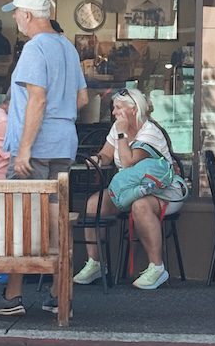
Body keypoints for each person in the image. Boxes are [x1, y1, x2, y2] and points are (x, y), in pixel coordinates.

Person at [0, 0, 87, 317]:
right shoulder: (67, 47)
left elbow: (37, 99)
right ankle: (59, 294)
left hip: (36, 149)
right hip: (63, 144)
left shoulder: (34, 48)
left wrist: (24, 149)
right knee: (57, 220)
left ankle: (13, 296)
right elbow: (82, 98)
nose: (14, 18)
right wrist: (60, 117)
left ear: (27, 15)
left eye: (16, 13)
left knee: (22, 220)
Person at [73, 88, 185, 290]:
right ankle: (96, 264)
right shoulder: (117, 128)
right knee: (94, 204)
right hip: (130, 189)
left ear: (134, 109)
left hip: (164, 191)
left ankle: (157, 268)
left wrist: (122, 133)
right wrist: (98, 159)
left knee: (140, 206)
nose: (114, 112)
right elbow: (107, 155)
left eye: (118, 107)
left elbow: (127, 162)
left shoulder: (149, 132)